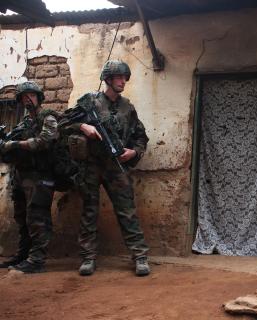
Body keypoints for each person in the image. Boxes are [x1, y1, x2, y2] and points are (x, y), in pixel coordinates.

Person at [61, 60, 150, 276]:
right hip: (91, 165)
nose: (123, 81)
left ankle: (139, 256)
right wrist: (83, 126)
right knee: (89, 211)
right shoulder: (90, 101)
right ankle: (88, 257)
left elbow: (141, 137)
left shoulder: (128, 108)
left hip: (116, 166)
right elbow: (63, 121)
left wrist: (134, 152)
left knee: (127, 211)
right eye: (119, 77)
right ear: (108, 79)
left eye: (124, 77)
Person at [0, 81, 58, 273]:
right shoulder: (24, 122)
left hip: (40, 176)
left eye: (31, 95)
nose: (28, 99)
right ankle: (23, 254)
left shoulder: (47, 117)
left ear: (39, 97)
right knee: (21, 217)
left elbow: (44, 141)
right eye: (24, 97)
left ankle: (37, 259)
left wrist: (15, 144)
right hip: (21, 175)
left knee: (37, 217)